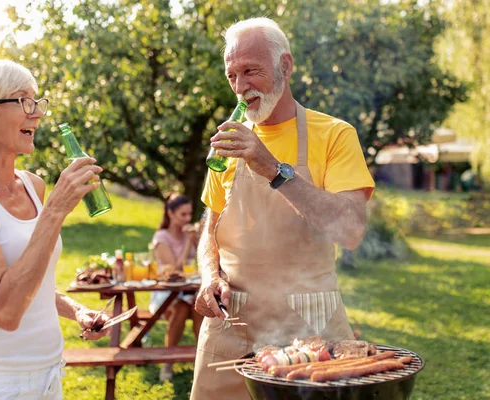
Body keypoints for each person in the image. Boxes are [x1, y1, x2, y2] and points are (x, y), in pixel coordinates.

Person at [190, 18, 375, 399]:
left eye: (251, 72)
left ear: (285, 66)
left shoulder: (335, 135)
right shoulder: (227, 144)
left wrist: (273, 169)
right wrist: (209, 276)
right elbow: (210, 229)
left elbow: (350, 231)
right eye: (232, 76)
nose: (241, 88)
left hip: (311, 326)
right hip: (232, 327)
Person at [0, 58, 111, 399]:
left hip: (48, 376)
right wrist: (56, 210)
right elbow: (5, 310)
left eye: (37, 101)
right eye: (22, 101)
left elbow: (31, 277)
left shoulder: (32, 185)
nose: (38, 113)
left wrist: (76, 310)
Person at [149, 194, 203, 381]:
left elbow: (201, 264)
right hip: (166, 294)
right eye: (183, 214)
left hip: (189, 290)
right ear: (170, 213)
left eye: (190, 214)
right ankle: (168, 363)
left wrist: (198, 240)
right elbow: (175, 269)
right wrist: (189, 242)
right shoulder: (161, 238)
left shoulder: (191, 235)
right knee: (180, 308)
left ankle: (201, 360)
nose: (188, 219)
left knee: (200, 307)